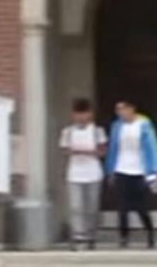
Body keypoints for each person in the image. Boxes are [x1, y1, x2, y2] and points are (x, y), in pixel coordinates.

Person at [105, 100, 157, 249]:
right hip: (121, 169)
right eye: (118, 110)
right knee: (122, 208)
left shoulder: (144, 124)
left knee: (141, 208)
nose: (120, 113)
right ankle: (124, 237)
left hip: (139, 171)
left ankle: (150, 233)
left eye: (123, 109)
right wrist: (110, 170)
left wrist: (154, 171)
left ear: (131, 109)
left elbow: (151, 147)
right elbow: (113, 149)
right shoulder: (117, 126)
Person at [59, 98, 107, 251]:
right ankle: (79, 235)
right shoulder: (68, 132)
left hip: (93, 173)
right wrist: (75, 151)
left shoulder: (97, 131)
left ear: (90, 114)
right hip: (75, 174)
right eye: (78, 114)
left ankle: (91, 234)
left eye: (84, 113)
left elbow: (102, 150)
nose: (81, 117)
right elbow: (65, 150)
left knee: (91, 207)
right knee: (76, 206)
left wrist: (89, 151)